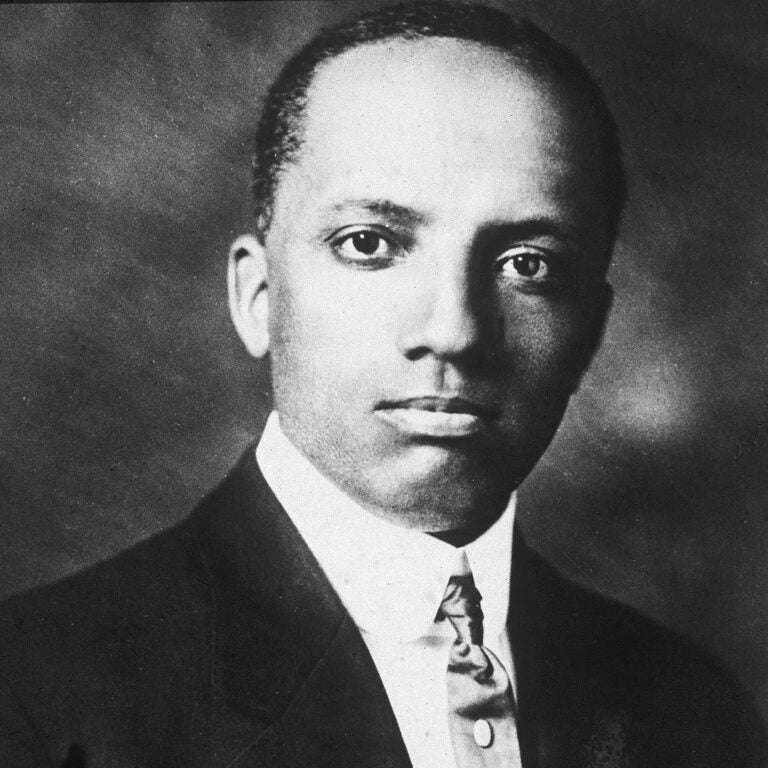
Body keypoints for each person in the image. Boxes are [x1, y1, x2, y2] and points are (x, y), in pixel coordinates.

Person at [0, 3, 764, 767]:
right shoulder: (35, 696)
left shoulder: (689, 705)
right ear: (258, 298)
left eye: (528, 264)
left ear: (589, 331)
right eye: (370, 244)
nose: (454, 330)